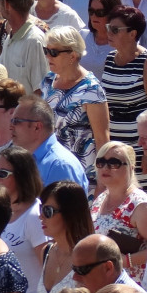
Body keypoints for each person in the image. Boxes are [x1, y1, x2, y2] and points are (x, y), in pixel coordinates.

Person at [101, 5, 147, 189]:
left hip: (140, 148)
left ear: (132, 33)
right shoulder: (110, 59)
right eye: (108, 28)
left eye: (115, 29)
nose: (109, 33)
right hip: (115, 145)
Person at [41, 26, 110, 186]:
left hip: (81, 173)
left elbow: (102, 139)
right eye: (46, 51)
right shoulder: (48, 81)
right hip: (50, 169)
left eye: (54, 52)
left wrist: (102, 183)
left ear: (72, 55)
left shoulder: (92, 89)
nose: (48, 56)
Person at [0, 147, 50, 293]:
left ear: (22, 177)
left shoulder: (35, 216)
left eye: (2, 174)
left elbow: (48, 271)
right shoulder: (1, 211)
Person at [89, 141, 147, 279]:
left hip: (130, 288)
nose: (105, 167)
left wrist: (126, 261)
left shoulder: (140, 204)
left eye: (114, 162)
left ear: (131, 167)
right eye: (100, 162)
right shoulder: (100, 199)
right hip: (104, 285)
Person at [9, 96, 89, 191]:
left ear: (37, 127)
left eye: (16, 121)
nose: (10, 126)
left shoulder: (59, 166)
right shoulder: (29, 159)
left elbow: (65, 206)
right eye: (11, 121)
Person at [37, 180, 94, 293]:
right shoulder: (46, 251)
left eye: (48, 211)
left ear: (70, 213)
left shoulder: (90, 256)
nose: (40, 216)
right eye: (41, 208)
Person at [0, 0, 49, 97]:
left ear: (7, 4)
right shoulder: (11, 37)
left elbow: (41, 92)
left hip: (26, 115)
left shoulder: (34, 41)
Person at [80, 0, 124, 80]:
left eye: (100, 13)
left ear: (113, 14)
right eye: (91, 11)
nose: (94, 16)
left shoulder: (123, 43)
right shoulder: (80, 36)